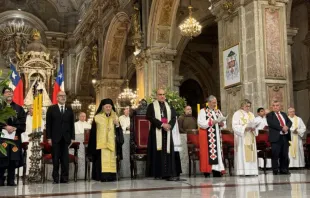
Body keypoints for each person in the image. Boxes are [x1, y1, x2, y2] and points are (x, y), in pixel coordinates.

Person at [88, 98, 124, 182]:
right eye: (106, 107)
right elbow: (93, 133)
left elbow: (119, 131)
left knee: (111, 160)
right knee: (101, 161)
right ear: (103, 108)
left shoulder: (115, 117)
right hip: (101, 145)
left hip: (112, 144)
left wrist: (117, 125)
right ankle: (101, 177)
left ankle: (111, 177)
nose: (108, 108)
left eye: (109, 107)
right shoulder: (97, 118)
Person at [146, 88, 177, 180]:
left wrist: (169, 125)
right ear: (157, 96)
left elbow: (174, 118)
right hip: (156, 132)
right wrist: (162, 124)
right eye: (160, 94)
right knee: (157, 152)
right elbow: (149, 117)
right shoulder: (152, 106)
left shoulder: (169, 106)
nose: (162, 96)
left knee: (167, 152)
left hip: (167, 131)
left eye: (163, 94)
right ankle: (158, 173)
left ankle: (167, 173)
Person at [46, 91, 75, 183]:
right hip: (55, 138)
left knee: (65, 159)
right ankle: (55, 178)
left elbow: (72, 124)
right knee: (55, 159)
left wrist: (72, 137)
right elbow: (48, 125)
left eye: (64, 96)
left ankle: (64, 178)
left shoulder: (69, 108)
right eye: (61, 96)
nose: (63, 97)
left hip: (66, 138)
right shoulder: (51, 109)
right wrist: (49, 137)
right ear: (57, 98)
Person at [0, 87, 26, 186]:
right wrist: (5, 127)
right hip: (2, 138)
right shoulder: (0, 107)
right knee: (2, 158)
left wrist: (14, 128)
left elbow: (22, 123)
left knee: (13, 158)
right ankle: (1, 179)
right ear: (3, 94)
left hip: (15, 138)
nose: (9, 94)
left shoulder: (19, 108)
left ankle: (11, 179)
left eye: (11, 92)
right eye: (7, 92)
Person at [197, 95, 226, 177]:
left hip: (217, 135)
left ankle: (217, 170)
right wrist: (211, 122)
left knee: (218, 153)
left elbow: (224, 125)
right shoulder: (203, 111)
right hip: (208, 136)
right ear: (208, 102)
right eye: (213, 103)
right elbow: (201, 123)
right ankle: (207, 171)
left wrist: (221, 123)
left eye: (215, 102)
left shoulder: (218, 111)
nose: (215, 104)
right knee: (208, 153)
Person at [232, 99, 258, 176]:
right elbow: (235, 126)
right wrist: (244, 128)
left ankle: (252, 171)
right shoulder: (237, 114)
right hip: (242, 138)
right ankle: (243, 171)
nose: (248, 108)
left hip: (251, 136)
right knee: (243, 153)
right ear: (242, 106)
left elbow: (254, 124)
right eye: (246, 106)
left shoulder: (251, 114)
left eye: (249, 106)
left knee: (251, 153)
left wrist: (254, 128)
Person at [266, 100, 292, 175]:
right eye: (273, 105)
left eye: (277, 105)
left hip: (285, 137)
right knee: (275, 154)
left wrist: (287, 126)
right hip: (276, 137)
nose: (275, 107)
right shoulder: (270, 115)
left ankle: (284, 169)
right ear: (272, 107)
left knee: (284, 154)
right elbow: (272, 124)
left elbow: (289, 122)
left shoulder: (283, 114)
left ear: (280, 106)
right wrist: (282, 128)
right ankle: (275, 170)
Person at [21, 105, 44, 176]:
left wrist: (36, 136)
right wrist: (28, 137)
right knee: (28, 155)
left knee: (38, 154)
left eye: (35, 108)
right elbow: (23, 130)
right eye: (31, 108)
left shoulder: (40, 119)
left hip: (37, 140)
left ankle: (37, 172)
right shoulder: (25, 118)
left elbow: (42, 129)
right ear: (28, 110)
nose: (33, 110)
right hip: (28, 140)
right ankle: (27, 172)